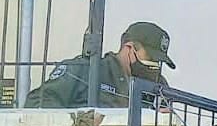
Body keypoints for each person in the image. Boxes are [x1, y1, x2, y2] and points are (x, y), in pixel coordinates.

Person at [24, 22, 174, 108]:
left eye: (158, 61)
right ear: (129, 48)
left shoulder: (157, 84)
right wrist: (78, 121)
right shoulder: (86, 70)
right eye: (150, 57)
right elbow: (37, 101)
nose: (154, 66)